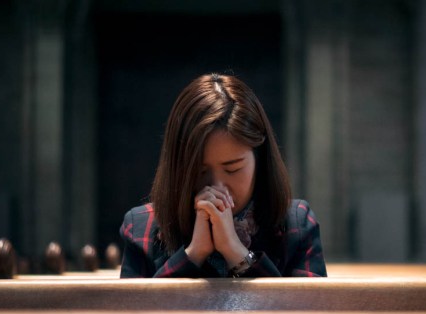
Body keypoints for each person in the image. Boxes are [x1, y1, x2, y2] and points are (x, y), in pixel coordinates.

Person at [119, 73, 327, 278]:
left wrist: (234, 250)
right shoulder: (141, 227)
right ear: (177, 168)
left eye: (233, 169)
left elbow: (305, 309)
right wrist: (194, 253)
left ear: (260, 160)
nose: (217, 187)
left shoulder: (296, 223)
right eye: (199, 172)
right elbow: (138, 309)